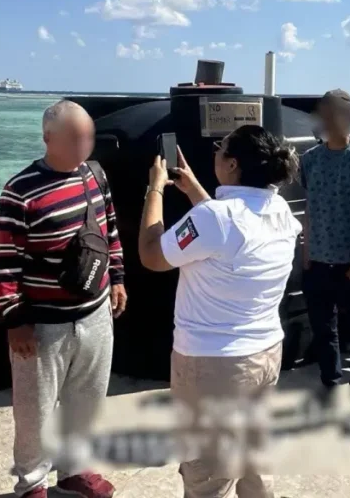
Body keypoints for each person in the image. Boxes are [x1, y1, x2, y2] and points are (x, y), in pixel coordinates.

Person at [137, 125, 302, 498]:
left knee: (209, 478)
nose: (214, 152)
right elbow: (230, 234)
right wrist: (196, 190)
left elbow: (151, 254)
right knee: (253, 462)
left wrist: (155, 188)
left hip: (212, 366)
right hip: (264, 356)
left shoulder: (215, 218)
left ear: (231, 164)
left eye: (219, 148)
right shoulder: (278, 208)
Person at [0, 100, 126, 498]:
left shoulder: (95, 176)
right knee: (35, 413)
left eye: (89, 137)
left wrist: (116, 278)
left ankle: (75, 470)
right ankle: (32, 483)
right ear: (48, 138)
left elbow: (109, 232)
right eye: (75, 138)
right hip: (44, 323)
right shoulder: (21, 191)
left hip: (95, 313)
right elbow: (3, 260)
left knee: (87, 400)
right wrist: (15, 319)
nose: (85, 146)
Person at [300, 89, 350, 404]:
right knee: (324, 329)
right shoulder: (310, 159)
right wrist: (306, 254)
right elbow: (310, 208)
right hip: (318, 261)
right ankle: (330, 382)